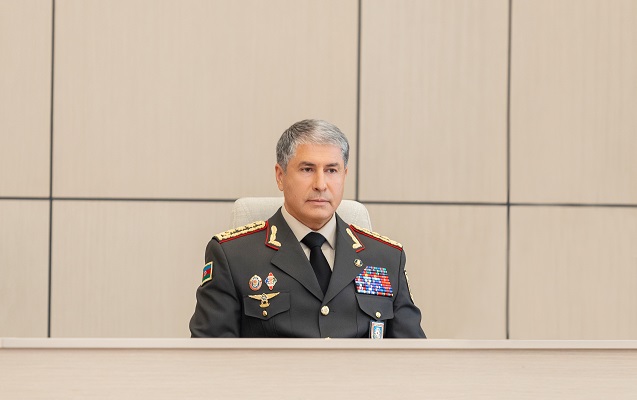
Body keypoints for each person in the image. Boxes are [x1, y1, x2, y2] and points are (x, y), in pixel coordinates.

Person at [189, 119, 425, 338]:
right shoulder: (233, 256)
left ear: (344, 176)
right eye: (307, 169)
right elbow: (210, 356)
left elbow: (413, 357)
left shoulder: (386, 257)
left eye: (331, 170)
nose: (321, 184)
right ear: (280, 176)